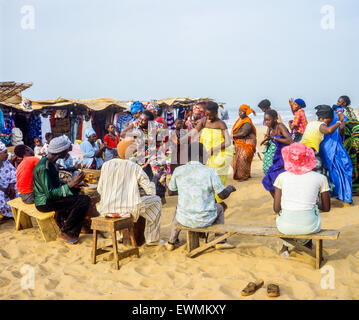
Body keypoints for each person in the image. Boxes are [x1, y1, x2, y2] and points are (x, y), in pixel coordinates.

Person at [166, 142, 236, 251]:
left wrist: (186, 189)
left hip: (184, 219)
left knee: (178, 209)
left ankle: (171, 241)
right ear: (200, 156)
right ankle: (220, 240)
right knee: (220, 208)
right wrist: (230, 188)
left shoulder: (178, 170)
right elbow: (222, 194)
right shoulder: (210, 172)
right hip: (204, 219)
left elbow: (170, 192)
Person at [96, 143, 163, 246]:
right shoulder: (134, 167)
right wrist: (154, 181)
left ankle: (120, 236)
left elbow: (100, 189)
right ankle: (152, 239)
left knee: (117, 201)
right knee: (156, 201)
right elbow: (150, 191)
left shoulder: (106, 165)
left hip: (106, 210)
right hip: (128, 211)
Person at [273, 143, 331, 258]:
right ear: (309, 158)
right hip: (310, 226)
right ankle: (307, 243)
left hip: (285, 227)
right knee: (312, 213)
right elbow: (326, 208)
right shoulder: (321, 178)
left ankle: (285, 247)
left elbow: (276, 208)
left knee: (284, 215)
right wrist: (315, 204)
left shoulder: (282, 177)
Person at [33, 136, 90, 244]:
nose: (69, 152)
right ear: (60, 152)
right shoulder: (44, 167)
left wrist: (73, 185)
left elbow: (56, 185)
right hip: (44, 203)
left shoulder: (51, 163)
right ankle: (67, 232)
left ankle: (62, 220)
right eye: (67, 150)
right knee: (84, 200)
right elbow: (50, 194)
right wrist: (72, 183)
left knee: (76, 192)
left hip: (50, 199)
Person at [190, 101, 234, 208]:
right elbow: (194, 132)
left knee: (216, 184)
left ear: (216, 112)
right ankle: (214, 207)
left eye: (211, 115)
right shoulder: (204, 121)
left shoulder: (221, 124)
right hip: (205, 156)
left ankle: (221, 206)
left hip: (219, 156)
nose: (208, 117)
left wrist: (214, 149)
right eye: (206, 114)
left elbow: (228, 142)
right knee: (205, 183)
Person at [121, 110, 168, 202]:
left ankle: (159, 196)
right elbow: (123, 134)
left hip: (156, 151)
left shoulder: (158, 127)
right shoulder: (135, 124)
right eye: (140, 119)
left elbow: (163, 139)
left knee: (158, 174)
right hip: (141, 151)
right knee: (138, 171)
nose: (140, 121)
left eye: (143, 120)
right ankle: (143, 196)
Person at [315, 105, 353, 204]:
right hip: (333, 149)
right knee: (342, 170)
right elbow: (340, 128)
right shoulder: (333, 121)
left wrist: (340, 118)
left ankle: (340, 194)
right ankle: (344, 195)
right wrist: (340, 119)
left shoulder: (320, 123)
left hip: (329, 148)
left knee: (337, 171)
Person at [261, 110, 293, 197]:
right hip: (278, 154)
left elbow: (290, 141)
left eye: (268, 120)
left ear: (275, 119)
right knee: (268, 180)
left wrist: (274, 138)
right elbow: (270, 137)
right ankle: (278, 202)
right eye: (265, 120)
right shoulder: (271, 128)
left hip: (286, 155)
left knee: (278, 179)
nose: (266, 122)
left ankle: (282, 202)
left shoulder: (280, 126)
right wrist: (266, 140)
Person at [336, 96, 359, 195]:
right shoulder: (351, 110)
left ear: (344, 103)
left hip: (349, 138)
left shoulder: (340, 111)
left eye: (339, 101)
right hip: (356, 137)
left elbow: (342, 127)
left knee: (349, 162)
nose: (337, 103)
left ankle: (351, 189)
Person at [232, 104, 257, 181]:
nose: (239, 113)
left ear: (246, 112)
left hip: (248, 142)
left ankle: (243, 176)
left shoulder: (247, 122)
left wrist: (232, 136)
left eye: (242, 111)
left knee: (243, 158)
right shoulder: (240, 120)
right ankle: (245, 174)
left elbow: (244, 133)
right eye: (239, 111)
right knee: (238, 159)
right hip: (241, 141)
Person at [0, 142, 17, 220]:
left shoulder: (6, 163)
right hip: (2, 189)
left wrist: (11, 186)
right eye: (5, 152)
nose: (8, 154)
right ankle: (4, 213)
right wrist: (5, 190)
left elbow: (14, 173)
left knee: (18, 188)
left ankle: (13, 212)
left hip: (8, 187)